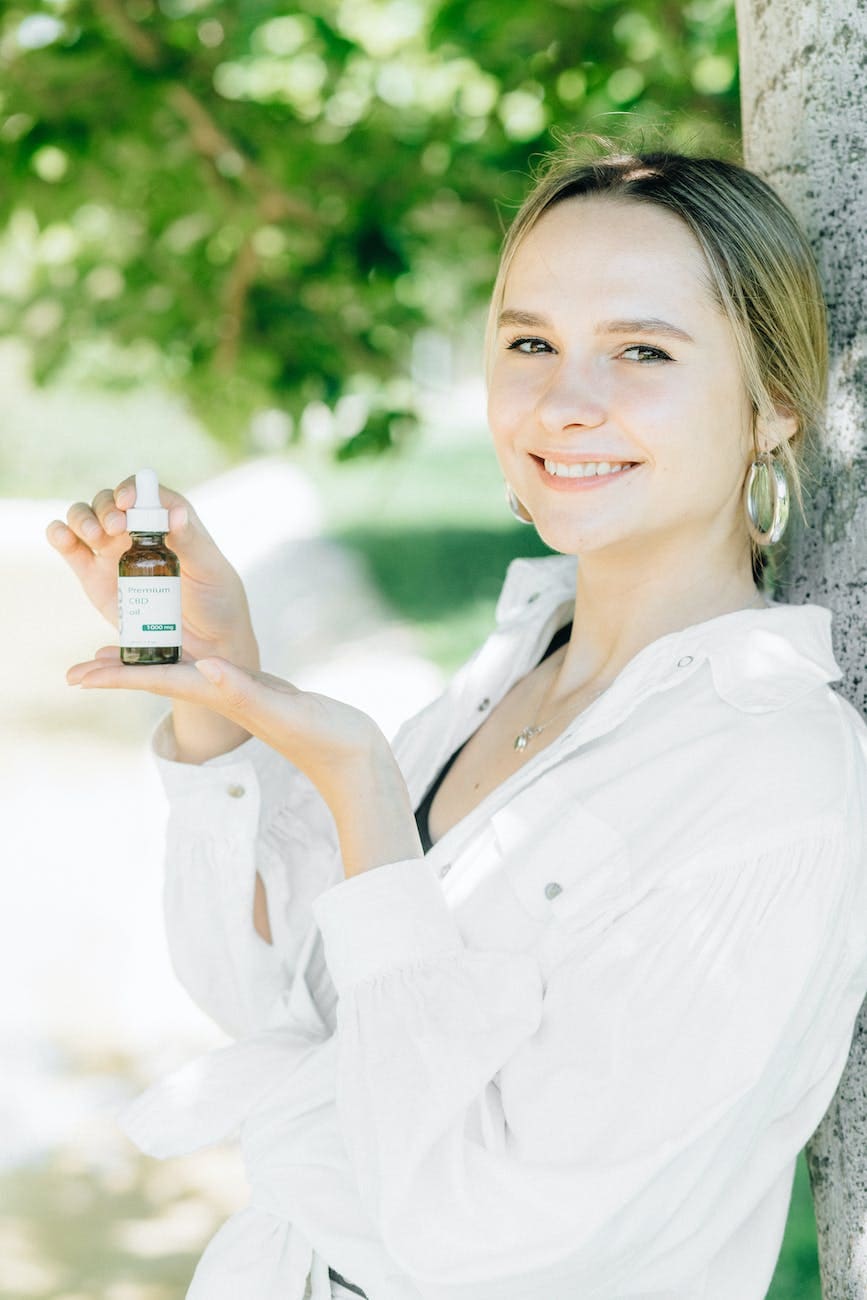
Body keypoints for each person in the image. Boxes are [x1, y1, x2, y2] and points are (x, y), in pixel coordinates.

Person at [49, 135, 867, 1300]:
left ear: (776, 403)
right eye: (530, 341)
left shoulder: (771, 776)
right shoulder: (517, 665)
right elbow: (270, 995)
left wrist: (365, 792)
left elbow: (477, 1235)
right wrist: (221, 689)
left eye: (642, 350)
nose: (563, 401)